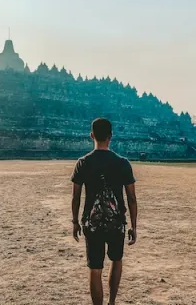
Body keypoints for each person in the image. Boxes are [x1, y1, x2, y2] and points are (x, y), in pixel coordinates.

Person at [71, 118, 138, 305]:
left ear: (91, 135)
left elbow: (76, 197)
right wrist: (134, 226)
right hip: (116, 222)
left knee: (95, 268)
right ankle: (112, 302)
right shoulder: (123, 163)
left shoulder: (83, 162)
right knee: (116, 261)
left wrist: (75, 221)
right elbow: (132, 199)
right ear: (111, 137)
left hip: (92, 222)